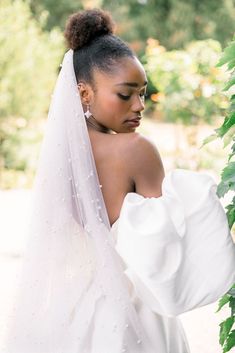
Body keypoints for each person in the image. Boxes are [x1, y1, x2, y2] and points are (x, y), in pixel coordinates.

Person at [2, 8, 235, 353]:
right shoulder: (136, 151)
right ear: (84, 93)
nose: (139, 105)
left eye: (142, 93)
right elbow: (163, 251)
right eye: (126, 94)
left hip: (73, 312)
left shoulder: (60, 155)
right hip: (135, 316)